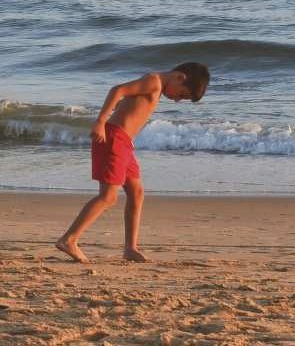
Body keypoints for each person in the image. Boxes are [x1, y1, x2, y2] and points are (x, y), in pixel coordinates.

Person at [56, 62, 210, 263]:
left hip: (125, 142)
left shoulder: (155, 85)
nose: (177, 100)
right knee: (109, 197)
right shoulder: (153, 81)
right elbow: (118, 90)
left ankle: (130, 248)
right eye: (182, 95)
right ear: (180, 77)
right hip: (113, 139)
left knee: (136, 192)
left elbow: (127, 103)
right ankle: (69, 239)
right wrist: (101, 121)